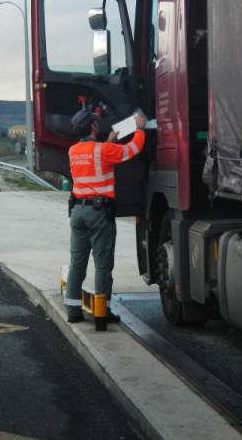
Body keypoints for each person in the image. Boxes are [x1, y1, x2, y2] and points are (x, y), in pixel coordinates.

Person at [65, 108, 146, 323]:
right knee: (102, 264)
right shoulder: (104, 150)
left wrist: (110, 141)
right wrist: (139, 128)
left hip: (77, 212)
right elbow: (133, 149)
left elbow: (98, 154)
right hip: (98, 214)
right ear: (93, 126)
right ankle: (102, 313)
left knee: (77, 262)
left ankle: (72, 310)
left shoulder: (73, 150)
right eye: (95, 122)